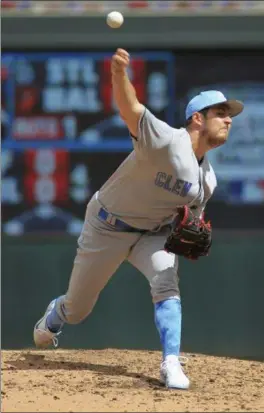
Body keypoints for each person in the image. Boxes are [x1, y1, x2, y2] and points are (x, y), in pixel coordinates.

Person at [33, 48, 244, 390]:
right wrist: (119, 75)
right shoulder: (166, 142)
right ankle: (56, 314)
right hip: (107, 225)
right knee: (79, 308)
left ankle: (171, 362)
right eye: (220, 113)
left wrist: (187, 230)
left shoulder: (208, 181)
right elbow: (130, 109)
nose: (229, 119)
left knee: (166, 281)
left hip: (151, 235)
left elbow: (188, 223)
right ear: (197, 119)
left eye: (229, 114)